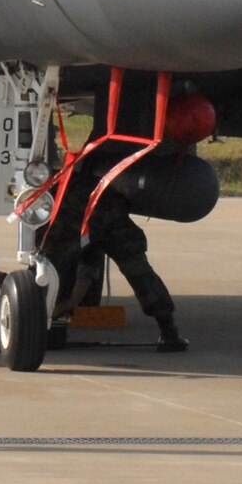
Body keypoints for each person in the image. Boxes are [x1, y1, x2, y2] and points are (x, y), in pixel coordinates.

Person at [39, 141, 188, 352]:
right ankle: (169, 330)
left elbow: (78, 259)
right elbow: (90, 262)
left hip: (82, 215)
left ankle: (49, 323)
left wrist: (65, 304)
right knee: (138, 271)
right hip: (108, 211)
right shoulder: (99, 161)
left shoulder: (63, 185)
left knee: (53, 266)